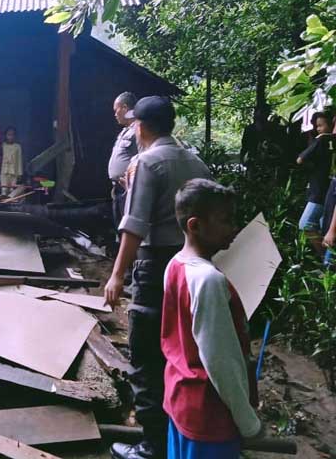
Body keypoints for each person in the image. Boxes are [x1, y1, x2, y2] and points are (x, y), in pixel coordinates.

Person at [104, 96, 212, 459]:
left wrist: (117, 275)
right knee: (181, 350)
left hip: (155, 268)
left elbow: (135, 225)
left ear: (142, 126)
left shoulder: (147, 162)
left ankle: (152, 445)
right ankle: (181, 434)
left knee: (146, 353)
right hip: (191, 264)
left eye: (134, 124)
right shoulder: (196, 161)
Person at [164, 179, 262, 458]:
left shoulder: (175, 265)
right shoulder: (208, 280)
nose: (234, 228)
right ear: (195, 225)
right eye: (225, 220)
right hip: (209, 414)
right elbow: (221, 362)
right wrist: (249, 423)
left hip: (180, 399)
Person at [296, 112, 334, 254]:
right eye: (316, 126)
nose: (318, 129)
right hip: (326, 189)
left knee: (306, 224)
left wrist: (318, 140)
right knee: (325, 226)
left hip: (320, 191)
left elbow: (300, 159)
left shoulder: (323, 141)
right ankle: (327, 263)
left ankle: (322, 256)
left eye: (320, 125)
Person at [109, 92, 139, 233]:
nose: (115, 114)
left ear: (125, 108)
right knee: (119, 226)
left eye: (117, 110)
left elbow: (143, 158)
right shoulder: (125, 131)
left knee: (128, 227)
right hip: (118, 188)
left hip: (129, 188)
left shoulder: (138, 131)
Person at [0, 126, 23, 194]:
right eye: (9, 135)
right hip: (4, 171)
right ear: (6, 135)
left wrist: (20, 173)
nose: (10, 137)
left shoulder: (17, 146)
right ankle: (3, 203)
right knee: (4, 189)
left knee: (12, 190)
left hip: (14, 172)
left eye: (12, 135)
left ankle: (12, 203)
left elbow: (19, 160)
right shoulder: (3, 145)